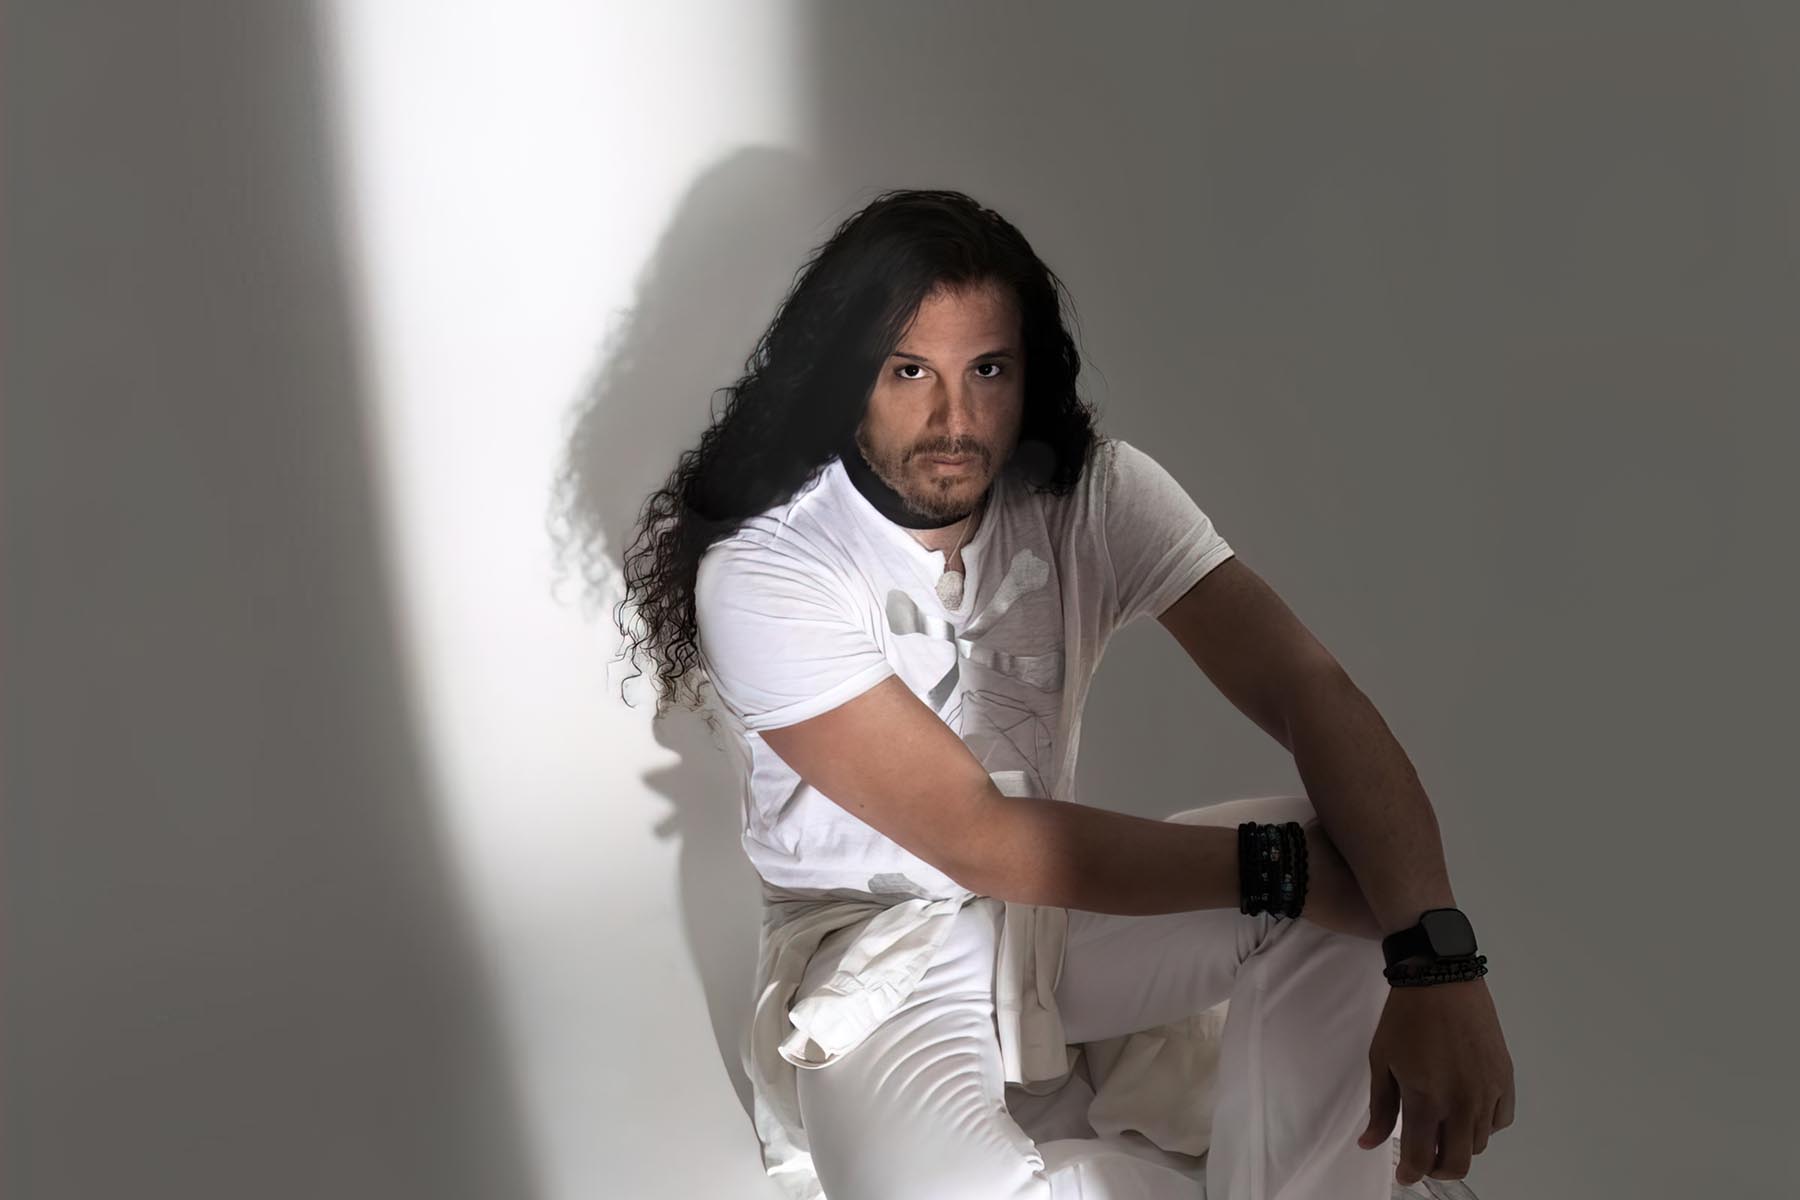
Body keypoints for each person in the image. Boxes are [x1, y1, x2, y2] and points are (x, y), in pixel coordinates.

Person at [614, 189, 1514, 1200]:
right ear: (844, 375)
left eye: (987, 370)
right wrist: (1286, 870)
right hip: (884, 950)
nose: (955, 420)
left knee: (1353, 860)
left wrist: (1439, 956)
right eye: (909, 371)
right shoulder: (767, 570)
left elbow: (1307, 685)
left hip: (1059, 922)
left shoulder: (1095, 494)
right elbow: (975, 834)